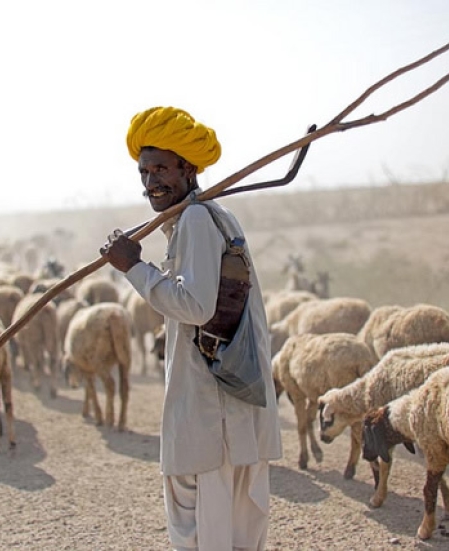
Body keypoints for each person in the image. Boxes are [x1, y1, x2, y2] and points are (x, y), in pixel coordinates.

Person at [100, 106, 282, 551]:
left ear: (188, 166)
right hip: (233, 412)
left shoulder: (198, 221)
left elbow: (195, 307)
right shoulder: (216, 216)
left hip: (209, 417)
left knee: (203, 533)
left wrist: (134, 268)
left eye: (161, 168)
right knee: (239, 534)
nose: (151, 183)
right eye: (144, 173)